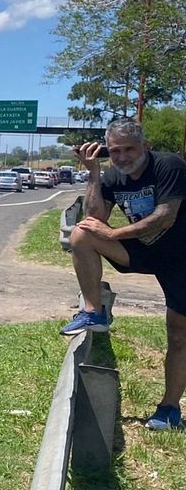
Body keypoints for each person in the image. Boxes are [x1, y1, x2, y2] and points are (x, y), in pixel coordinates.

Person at [61, 117, 186, 430]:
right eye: (115, 151)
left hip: (181, 258)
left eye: (129, 149)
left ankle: (169, 410)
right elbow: (94, 217)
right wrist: (93, 173)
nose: (122, 157)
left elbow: (164, 217)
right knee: (82, 234)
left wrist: (115, 235)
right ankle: (94, 311)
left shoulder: (169, 166)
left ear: (146, 146)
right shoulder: (114, 176)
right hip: (142, 250)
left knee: (178, 333)